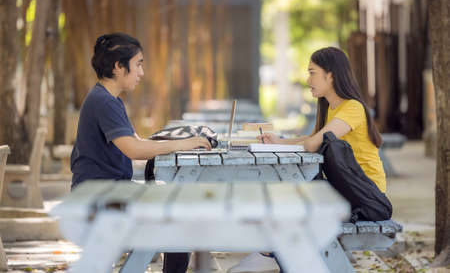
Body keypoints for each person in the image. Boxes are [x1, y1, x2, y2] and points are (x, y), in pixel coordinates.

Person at [228, 47, 392, 273]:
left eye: (312, 72)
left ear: (331, 75)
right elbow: (312, 138)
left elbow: (315, 143)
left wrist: (288, 143)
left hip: (366, 194)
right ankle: (270, 252)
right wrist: (278, 142)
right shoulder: (331, 107)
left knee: (293, 206)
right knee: (286, 199)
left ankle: (270, 252)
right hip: (346, 189)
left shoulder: (352, 108)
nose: (308, 80)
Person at [70, 32, 211, 273]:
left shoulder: (110, 100)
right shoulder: (103, 101)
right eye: (138, 65)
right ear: (118, 67)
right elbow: (135, 150)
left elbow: (136, 141)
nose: (141, 73)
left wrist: (181, 139)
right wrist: (184, 144)